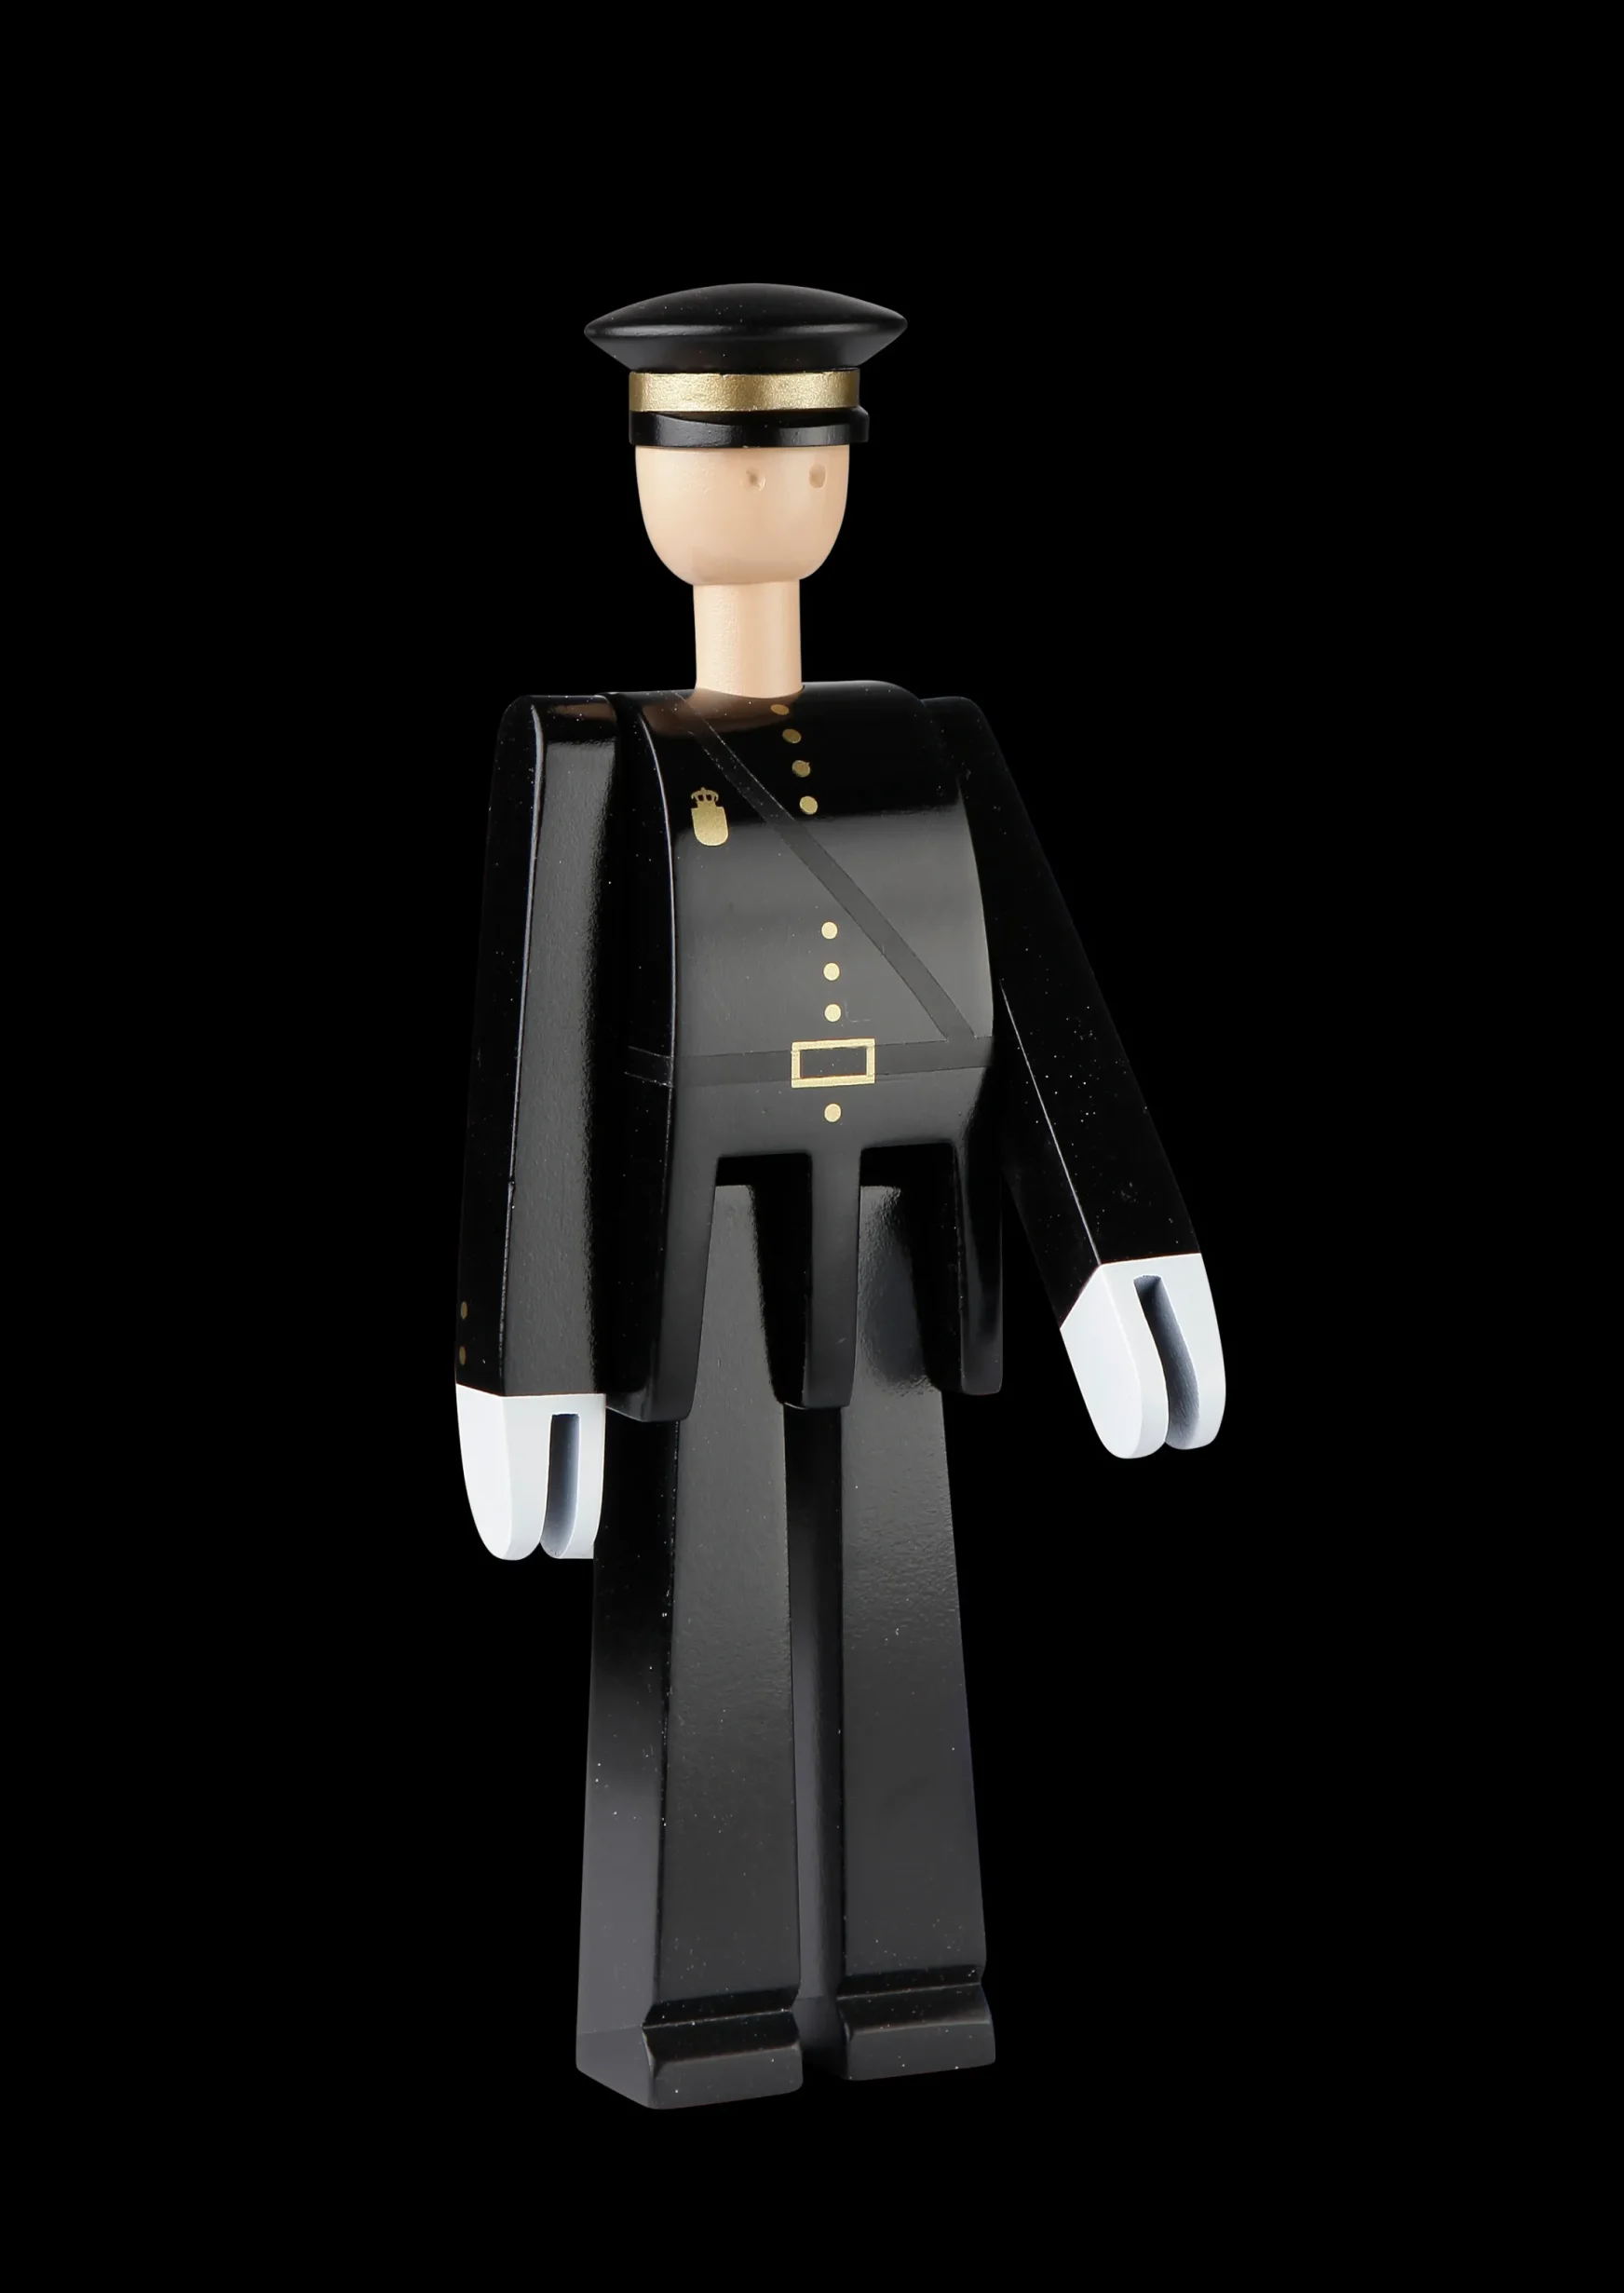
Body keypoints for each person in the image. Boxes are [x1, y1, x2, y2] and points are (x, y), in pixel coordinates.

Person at [453, 283, 1226, 2109]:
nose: (761, 493)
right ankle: (693, 2008)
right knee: (705, 1603)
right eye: (718, 456)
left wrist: (1120, 1251)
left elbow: (1038, 1010)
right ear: (648, 476)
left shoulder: (929, 740)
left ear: (841, 473)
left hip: (894, 1235)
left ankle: (911, 1975)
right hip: (696, 1254)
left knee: (898, 1587)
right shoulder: (594, 753)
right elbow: (539, 1067)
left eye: (800, 456)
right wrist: (524, 1361)